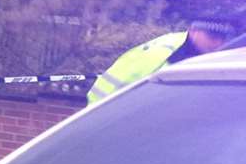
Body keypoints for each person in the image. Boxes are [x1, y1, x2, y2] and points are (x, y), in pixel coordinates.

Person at [85, 16, 237, 108]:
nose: (217, 44)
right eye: (212, 38)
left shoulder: (192, 49)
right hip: (107, 111)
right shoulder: (165, 53)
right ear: (193, 31)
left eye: (222, 39)